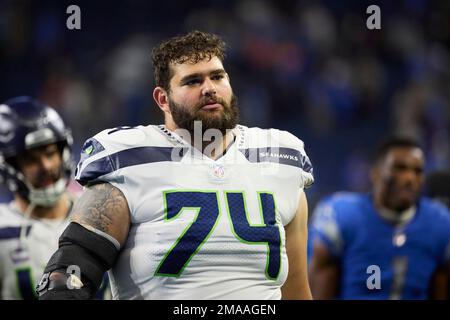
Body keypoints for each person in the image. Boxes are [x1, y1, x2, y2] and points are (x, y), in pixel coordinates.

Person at [37, 30, 315, 300]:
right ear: (163, 99)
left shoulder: (280, 159)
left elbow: (296, 290)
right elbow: (69, 275)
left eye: (217, 77)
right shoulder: (129, 158)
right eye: (192, 81)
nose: (209, 88)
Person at [308, 137, 450, 300]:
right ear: (375, 173)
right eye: (399, 168)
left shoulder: (440, 223)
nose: (409, 178)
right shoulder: (343, 216)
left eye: (417, 171)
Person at [0, 96, 75, 299]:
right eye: (31, 160)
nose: (46, 166)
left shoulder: (97, 211)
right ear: (9, 167)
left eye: (50, 153)